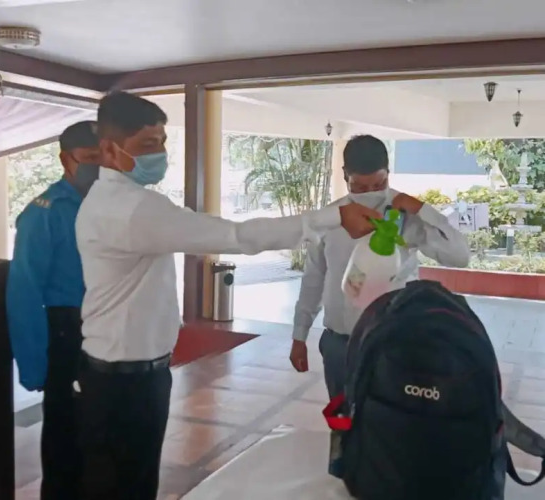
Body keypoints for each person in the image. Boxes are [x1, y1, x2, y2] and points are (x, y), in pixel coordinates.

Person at [73, 91, 383, 500]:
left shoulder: (121, 202)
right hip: (123, 382)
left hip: (128, 374)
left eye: (162, 141)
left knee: (130, 482)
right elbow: (236, 236)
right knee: (123, 486)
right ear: (111, 150)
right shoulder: (130, 209)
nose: (160, 154)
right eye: (147, 144)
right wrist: (331, 217)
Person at [289, 134, 471, 399]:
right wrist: (299, 334)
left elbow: (460, 257)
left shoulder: (407, 215)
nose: (371, 193)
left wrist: (423, 209)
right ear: (345, 175)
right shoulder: (330, 219)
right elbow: (314, 278)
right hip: (340, 342)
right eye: (360, 187)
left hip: (394, 342)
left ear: (388, 173)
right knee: (341, 413)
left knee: (388, 415)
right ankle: (342, 428)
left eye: (379, 184)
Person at [6, 121, 100, 500]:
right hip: (67, 333)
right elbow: (24, 291)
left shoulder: (112, 205)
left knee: (103, 437)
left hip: (110, 330)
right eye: (89, 159)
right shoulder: (43, 214)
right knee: (66, 440)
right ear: (66, 160)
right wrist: (33, 366)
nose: (99, 168)